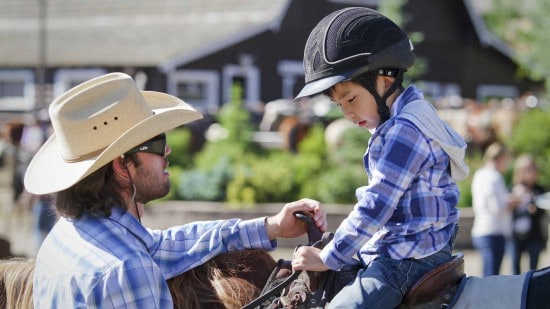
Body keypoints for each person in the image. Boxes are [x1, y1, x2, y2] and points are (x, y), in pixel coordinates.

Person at [23, 72, 327, 308]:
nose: (167, 149)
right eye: (154, 143)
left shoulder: (66, 234)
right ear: (121, 165)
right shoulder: (127, 270)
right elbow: (139, 260)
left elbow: (163, 245)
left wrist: (270, 227)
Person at [291, 7, 469, 308]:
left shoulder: (404, 131)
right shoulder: (408, 120)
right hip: (407, 247)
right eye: (339, 104)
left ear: (385, 82)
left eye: (351, 99)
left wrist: (329, 256)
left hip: (407, 259)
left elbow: (376, 206)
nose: (347, 113)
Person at [471, 142, 519, 276]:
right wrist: (514, 202)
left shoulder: (479, 174)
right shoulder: (495, 177)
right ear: (500, 158)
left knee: (488, 274)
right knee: (491, 277)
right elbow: (497, 208)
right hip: (494, 232)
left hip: (480, 229)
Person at [510, 153, 548, 274]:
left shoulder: (539, 189)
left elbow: (544, 208)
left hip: (534, 235)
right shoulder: (513, 188)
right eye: (527, 169)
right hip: (515, 235)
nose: (531, 172)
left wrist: (535, 209)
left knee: (534, 271)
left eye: (533, 168)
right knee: (516, 268)